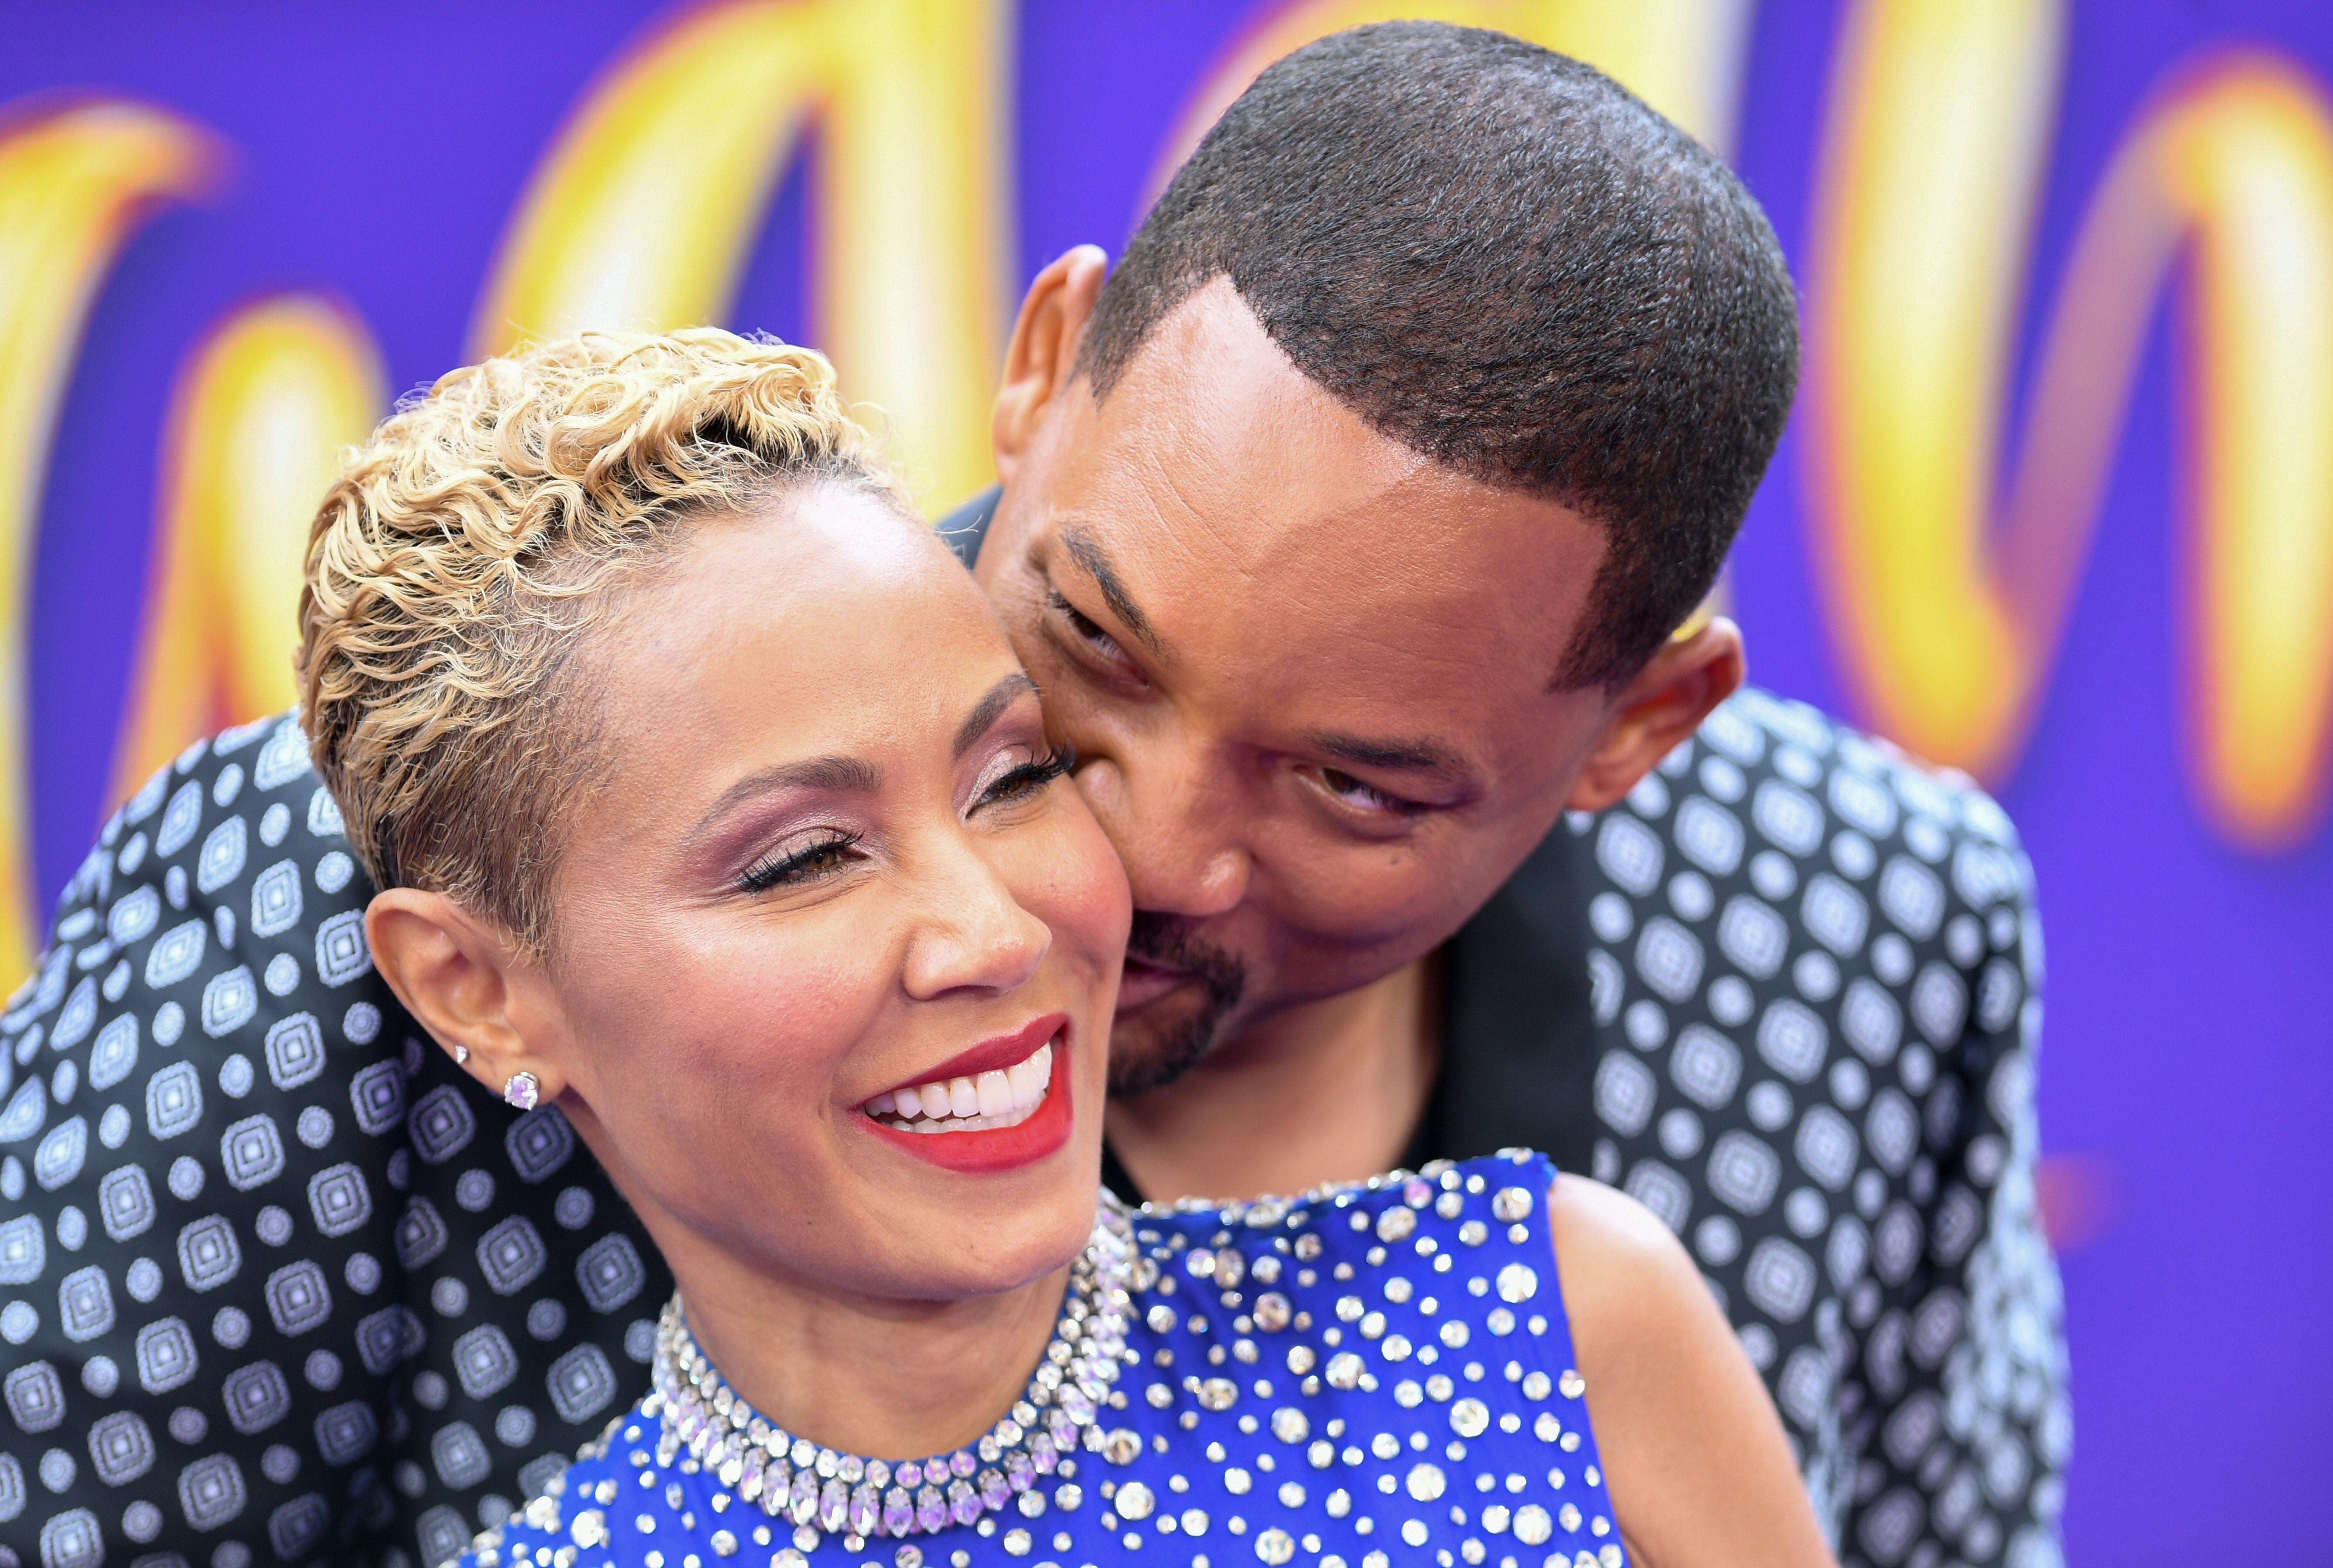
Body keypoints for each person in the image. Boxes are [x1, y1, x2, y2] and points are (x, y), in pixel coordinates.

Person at [0, 23, 2062, 1568]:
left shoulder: (1853, 938)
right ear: (1045, 355)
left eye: (1349, 784)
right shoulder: (347, 882)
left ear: (1635, 728)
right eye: (1090, 652)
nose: (1120, 856)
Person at [324, 324, 1827, 1568]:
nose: (990, 928)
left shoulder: (1547, 1325)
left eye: (1016, 778)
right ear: (478, 990)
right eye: (801, 859)